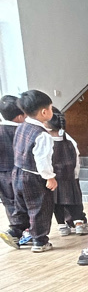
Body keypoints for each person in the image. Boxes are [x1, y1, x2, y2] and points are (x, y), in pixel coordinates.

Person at [0, 90, 58, 252]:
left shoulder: (22, 127)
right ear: (44, 112)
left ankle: (14, 231)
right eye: (51, 108)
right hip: (33, 176)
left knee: (21, 207)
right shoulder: (43, 135)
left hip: (17, 172)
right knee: (40, 208)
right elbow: (42, 159)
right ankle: (40, 241)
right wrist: (50, 177)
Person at [47, 108, 88, 236]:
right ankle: (79, 224)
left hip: (54, 179)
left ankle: (62, 226)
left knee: (57, 204)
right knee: (74, 202)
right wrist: (75, 175)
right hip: (70, 178)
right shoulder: (70, 142)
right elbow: (77, 160)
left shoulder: (47, 143)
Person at [0, 94, 24, 229]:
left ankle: (16, 228)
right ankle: (30, 230)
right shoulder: (23, 131)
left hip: (3, 173)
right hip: (22, 171)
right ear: (20, 116)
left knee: (9, 202)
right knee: (27, 202)